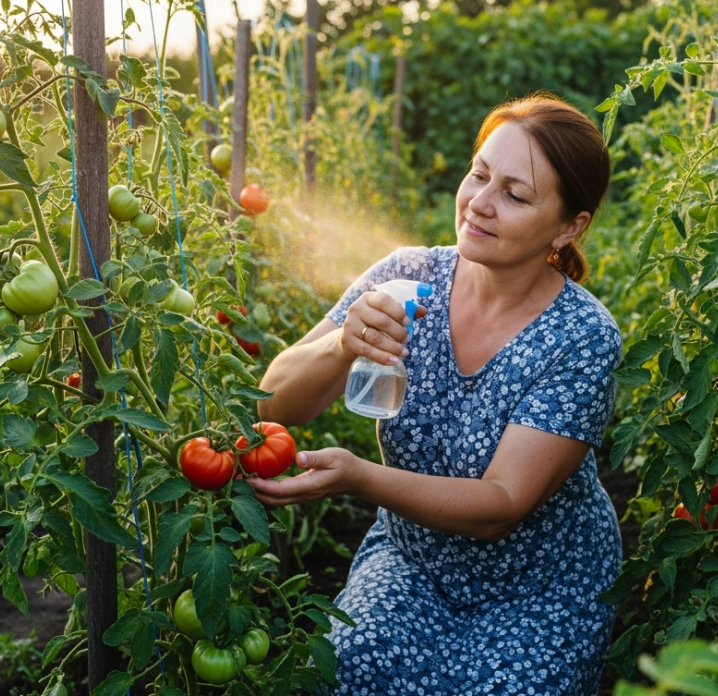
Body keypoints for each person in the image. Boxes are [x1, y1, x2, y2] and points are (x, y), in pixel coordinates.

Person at [249, 93, 622, 695]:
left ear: (569, 226)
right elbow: (272, 403)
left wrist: (359, 478)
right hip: (413, 560)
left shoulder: (581, 337)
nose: (480, 202)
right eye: (479, 174)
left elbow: (501, 504)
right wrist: (342, 344)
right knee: (349, 668)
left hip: (539, 586)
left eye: (515, 195)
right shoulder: (407, 278)